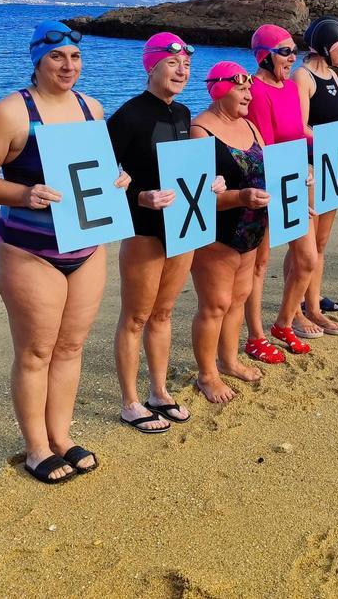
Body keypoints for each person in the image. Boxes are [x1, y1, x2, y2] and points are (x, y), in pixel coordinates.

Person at [0, 22, 131, 482]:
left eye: (75, 58)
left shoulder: (92, 107)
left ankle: (61, 435)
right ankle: (36, 446)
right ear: (37, 61)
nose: (68, 66)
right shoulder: (12, 112)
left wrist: (117, 178)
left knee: (71, 346)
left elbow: (95, 171)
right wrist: (23, 195)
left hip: (86, 245)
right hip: (30, 250)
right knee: (36, 351)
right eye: (57, 58)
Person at [106, 33, 224, 432]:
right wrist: (140, 197)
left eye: (187, 66)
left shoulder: (183, 114)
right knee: (136, 316)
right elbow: (101, 178)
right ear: (151, 66)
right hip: (143, 231)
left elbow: (190, 169)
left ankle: (159, 392)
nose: (182, 71)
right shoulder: (127, 116)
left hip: (182, 226)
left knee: (164, 312)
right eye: (173, 64)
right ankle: (130, 401)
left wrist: (213, 182)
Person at [189, 62, 271, 403]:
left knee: (238, 298)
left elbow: (268, 169)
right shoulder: (200, 131)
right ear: (220, 88)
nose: (249, 94)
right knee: (215, 304)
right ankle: (207, 375)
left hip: (252, 227)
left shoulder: (250, 125)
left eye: (249, 89)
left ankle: (229, 359)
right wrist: (240, 197)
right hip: (218, 230)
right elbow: (196, 193)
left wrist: (298, 180)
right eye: (242, 89)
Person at [245, 24, 328, 355]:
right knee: (260, 264)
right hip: (265, 184)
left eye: (294, 50)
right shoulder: (254, 89)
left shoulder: (291, 89)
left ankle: (282, 322)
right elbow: (261, 146)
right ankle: (255, 336)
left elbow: (297, 132)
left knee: (306, 258)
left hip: (291, 180)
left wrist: (337, 140)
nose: (292, 58)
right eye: (285, 51)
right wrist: (290, 178)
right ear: (264, 56)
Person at [293, 16, 338, 325]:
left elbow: (333, 122)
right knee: (304, 245)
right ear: (327, 46)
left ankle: (313, 304)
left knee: (321, 243)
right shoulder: (302, 77)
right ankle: (295, 306)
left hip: (332, 162)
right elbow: (301, 129)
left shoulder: (333, 77)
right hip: (311, 165)